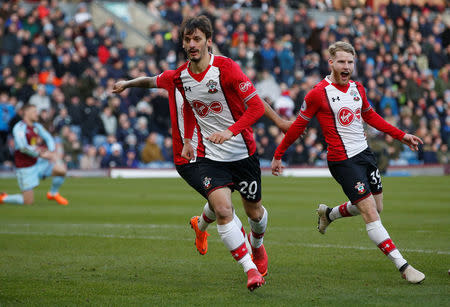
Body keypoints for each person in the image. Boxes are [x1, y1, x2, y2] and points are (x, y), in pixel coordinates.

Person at [112, 16, 291, 291]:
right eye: (187, 39)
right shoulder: (181, 76)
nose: (192, 44)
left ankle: (257, 246)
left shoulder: (227, 68)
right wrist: (127, 83)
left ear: (209, 41)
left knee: (254, 213)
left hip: (243, 153)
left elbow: (255, 107)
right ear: (182, 43)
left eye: (197, 39)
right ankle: (251, 270)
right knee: (223, 209)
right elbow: (159, 86)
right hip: (211, 157)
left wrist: (237, 130)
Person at [271, 41, 425, 284]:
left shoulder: (357, 88)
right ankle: (403, 266)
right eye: (341, 61)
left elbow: (371, 116)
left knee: (377, 206)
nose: (346, 66)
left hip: (364, 155)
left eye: (350, 62)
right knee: (371, 212)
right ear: (331, 63)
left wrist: (401, 135)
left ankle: (329, 215)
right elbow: (298, 126)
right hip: (342, 161)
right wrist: (278, 155)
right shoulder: (317, 94)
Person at [0, 104, 68, 206]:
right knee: (28, 202)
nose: (37, 114)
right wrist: (42, 154)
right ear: (26, 113)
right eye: (34, 112)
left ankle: (53, 193)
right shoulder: (19, 127)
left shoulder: (37, 126)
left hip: (37, 163)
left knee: (61, 170)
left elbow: (49, 138)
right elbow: (23, 147)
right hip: (25, 167)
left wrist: (52, 152)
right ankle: (4, 198)